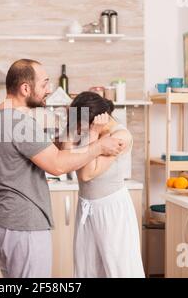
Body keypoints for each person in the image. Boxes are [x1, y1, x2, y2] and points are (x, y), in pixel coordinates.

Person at [0, 59, 125, 278]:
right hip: (25, 224)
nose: (49, 90)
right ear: (25, 88)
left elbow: (41, 148)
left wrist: (71, 127)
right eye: (44, 84)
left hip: (3, 222)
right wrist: (98, 146)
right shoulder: (19, 123)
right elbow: (57, 164)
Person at [66, 91, 145, 278]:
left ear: (95, 120)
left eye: (80, 125)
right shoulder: (89, 134)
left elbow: (86, 173)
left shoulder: (120, 137)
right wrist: (76, 128)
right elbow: (67, 154)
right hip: (87, 208)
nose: (77, 130)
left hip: (112, 210)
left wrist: (92, 133)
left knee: (121, 271)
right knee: (87, 270)